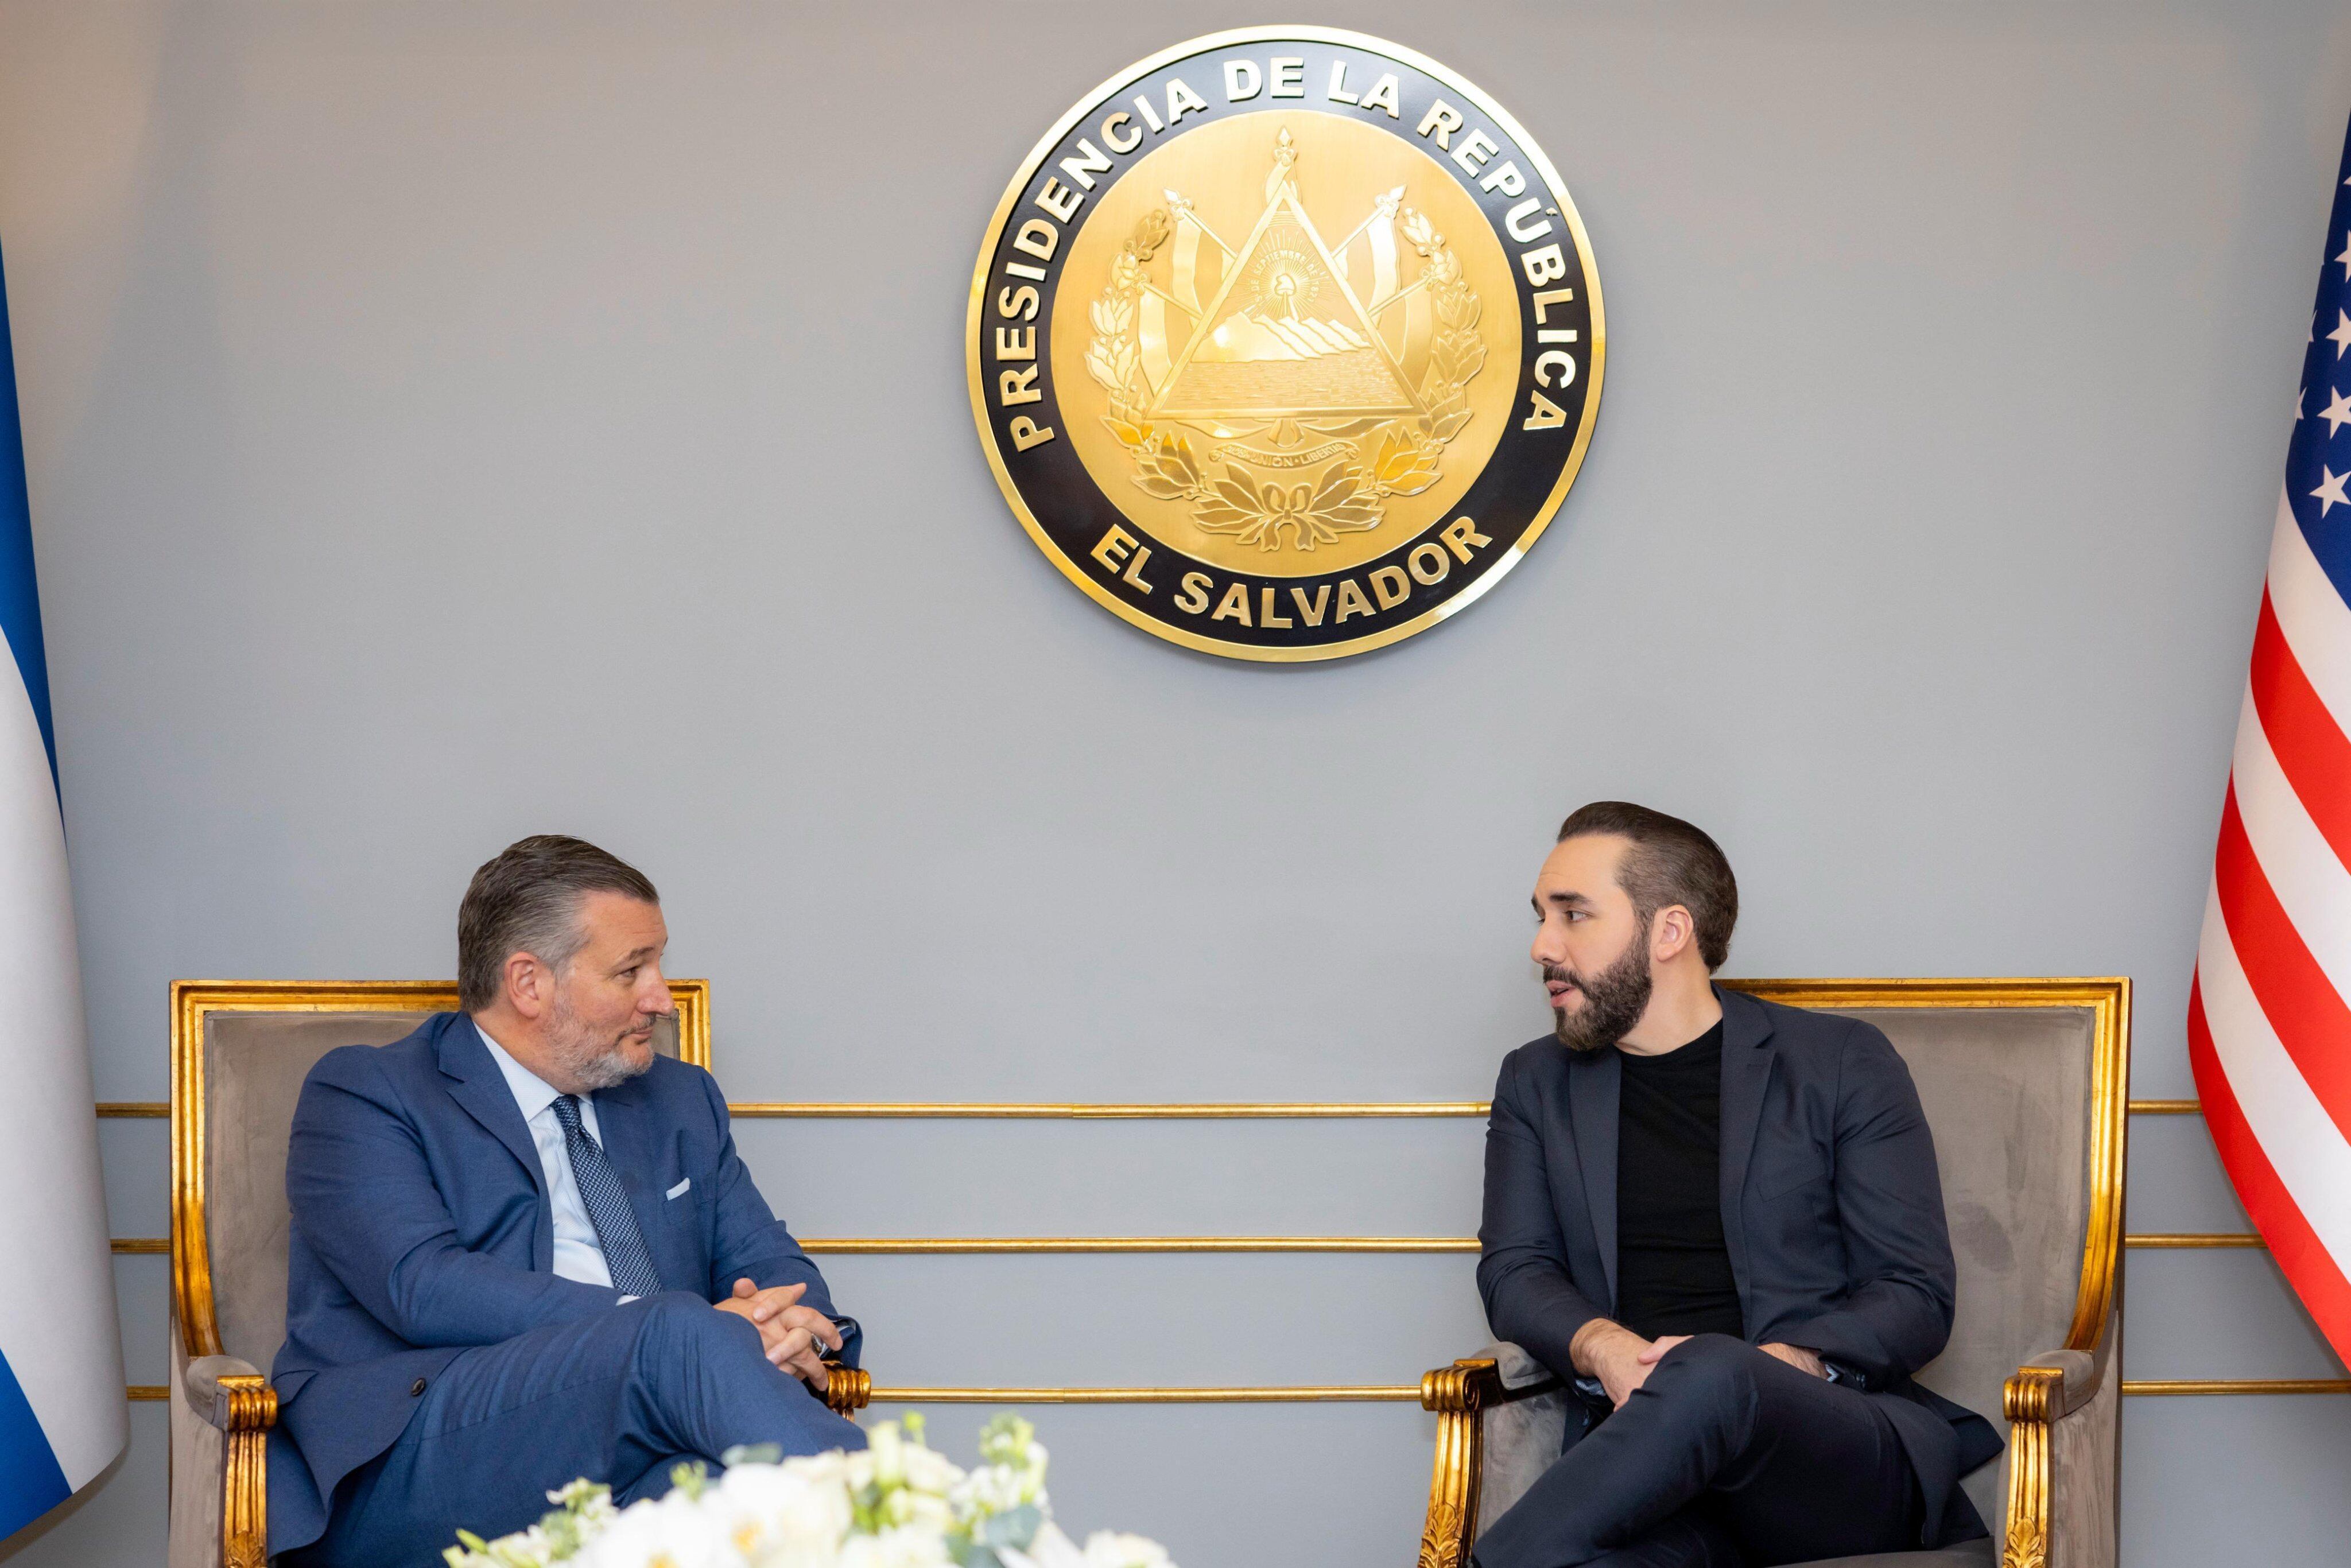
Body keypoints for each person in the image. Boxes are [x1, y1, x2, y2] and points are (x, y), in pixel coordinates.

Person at [268, 836, 866, 1566]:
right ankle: (901, 1534)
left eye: (659, 961)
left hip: (644, 1441)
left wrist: (786, 1325)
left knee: (723, 1498)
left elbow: (776, 1268)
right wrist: (668, 1328)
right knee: (680, 1328)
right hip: (421, 1457)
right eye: (631, 969)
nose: (661, 995)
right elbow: (421, 1286)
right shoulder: (367, 1093)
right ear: (529, 982)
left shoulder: (678, 1099)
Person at [1473, 802, 2001, 1568]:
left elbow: (1914, 1291)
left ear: (1669, 932)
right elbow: (1515, 1269)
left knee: (1716, 1367)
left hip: (1832, 1456)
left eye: (1574, 915)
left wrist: (1782, 1366)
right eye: (1542, 916)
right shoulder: (1535, 1082)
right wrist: (1607, 1348)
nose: (1542, 946)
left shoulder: (1841, 1061)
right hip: (1662, 1476)